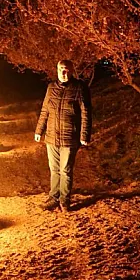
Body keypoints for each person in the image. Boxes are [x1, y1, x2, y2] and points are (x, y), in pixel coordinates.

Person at [34, 59, 92, 212]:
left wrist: (84, 135)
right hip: (51, 136)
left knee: (65, 170)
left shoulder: (79, 88)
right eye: (61, 69)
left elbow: (86, 113)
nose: (63, 73)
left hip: (69, 137)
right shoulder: (51, 87)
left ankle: (64, 201)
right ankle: (53, 198)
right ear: (57, 70)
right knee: (54, 169)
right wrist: (39, 130)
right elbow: (45, 110)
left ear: (71, 71)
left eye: (66, 70)